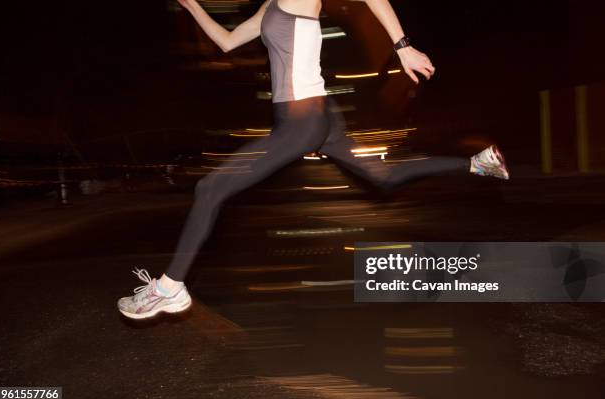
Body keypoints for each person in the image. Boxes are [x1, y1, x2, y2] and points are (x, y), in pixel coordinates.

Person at [117, 0, 509, 320]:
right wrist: (193, 7)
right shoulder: (271, 5)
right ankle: (478, 163)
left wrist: (403, 45)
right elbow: (228, 41)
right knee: (383, 176)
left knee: (210, 187)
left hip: (303, 118)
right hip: (318, 113)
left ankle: (169, 288)